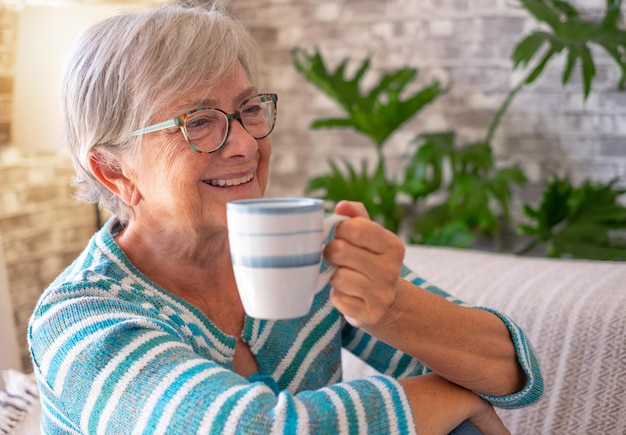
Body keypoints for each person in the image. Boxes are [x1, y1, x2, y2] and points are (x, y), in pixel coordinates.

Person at [28, 1, 543, 434]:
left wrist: (391, 308)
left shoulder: (301, 241)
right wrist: (455, 398)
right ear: (114, 171)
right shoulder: (79, 321)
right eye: (200, 122)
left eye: (250, 109)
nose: (247, 143)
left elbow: (513, 374)